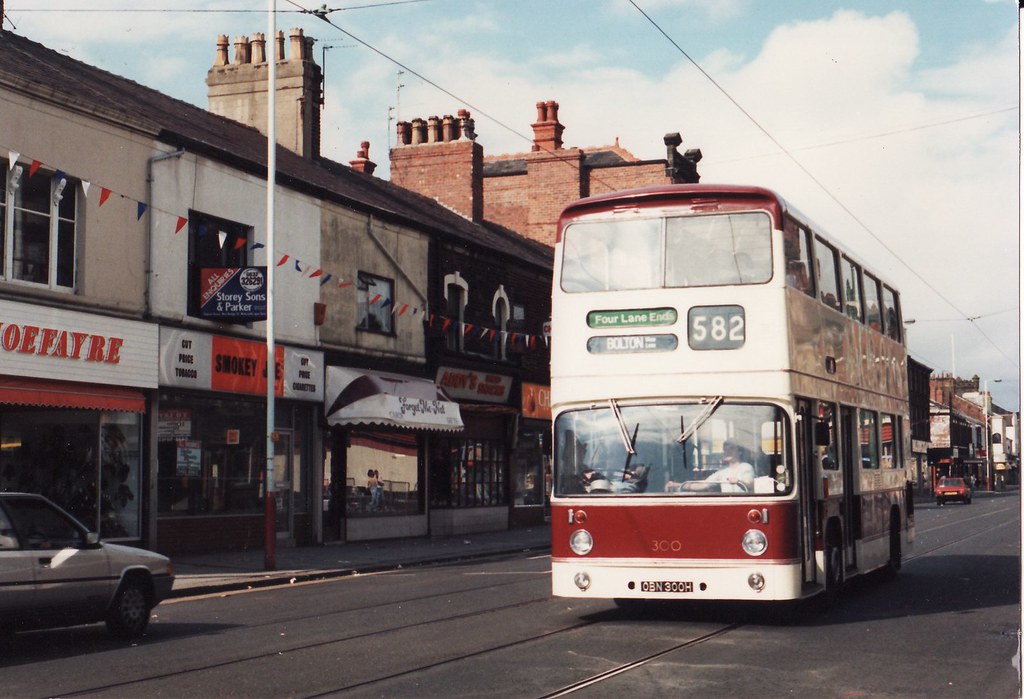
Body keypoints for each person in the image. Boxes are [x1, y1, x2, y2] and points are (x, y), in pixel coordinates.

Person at [666, 440, 756, 493]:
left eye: (731, 448)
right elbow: (701, 485)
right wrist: (676, 485)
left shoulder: (746, 467)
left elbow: (750, 484)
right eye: (725, 449)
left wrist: (739, 481)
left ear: (739, 451)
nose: (727, 452)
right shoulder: (722, 472)